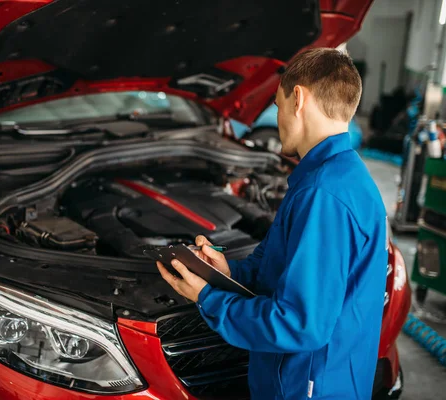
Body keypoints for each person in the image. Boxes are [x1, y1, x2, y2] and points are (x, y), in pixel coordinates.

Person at [157, 48, 388, 400]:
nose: (277, 118)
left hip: (307, 388)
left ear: (298, 99)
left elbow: (300, 324)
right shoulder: (338, 176)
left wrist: (207, 298)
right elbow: (281, 267)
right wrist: (229, 272)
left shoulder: (324, 195)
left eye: (278, 106)